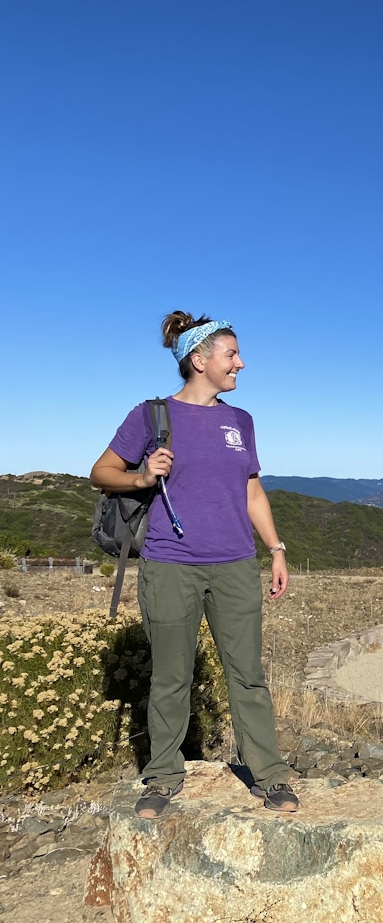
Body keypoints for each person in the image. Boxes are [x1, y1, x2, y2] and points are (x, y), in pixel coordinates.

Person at [90, 312, 299, 818]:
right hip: (169, 564)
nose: (241, 364)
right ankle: (162, 776)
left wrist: (275, 550)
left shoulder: (239, 421)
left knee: (247, 674)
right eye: (232, 354)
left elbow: (251, 489)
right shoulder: (151, 415)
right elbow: (101, 472)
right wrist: (141, 478)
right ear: (199, 360)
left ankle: (268, 775)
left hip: (234, 565)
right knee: (171, 675)